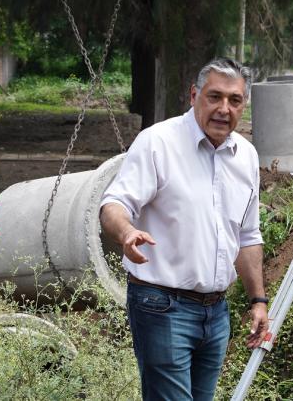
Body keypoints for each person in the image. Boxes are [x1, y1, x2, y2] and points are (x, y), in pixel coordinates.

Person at [99, 58, 268, 400]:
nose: (224, 109)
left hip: (216, 313)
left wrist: (258, 301)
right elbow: (113, 204)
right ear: (194, 95)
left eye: (234, 100)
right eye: (214, 97)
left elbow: (247, 237)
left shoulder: (246, 156)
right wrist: (127, 232)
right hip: (162, 305)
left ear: (244, 105)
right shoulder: (158, 143)